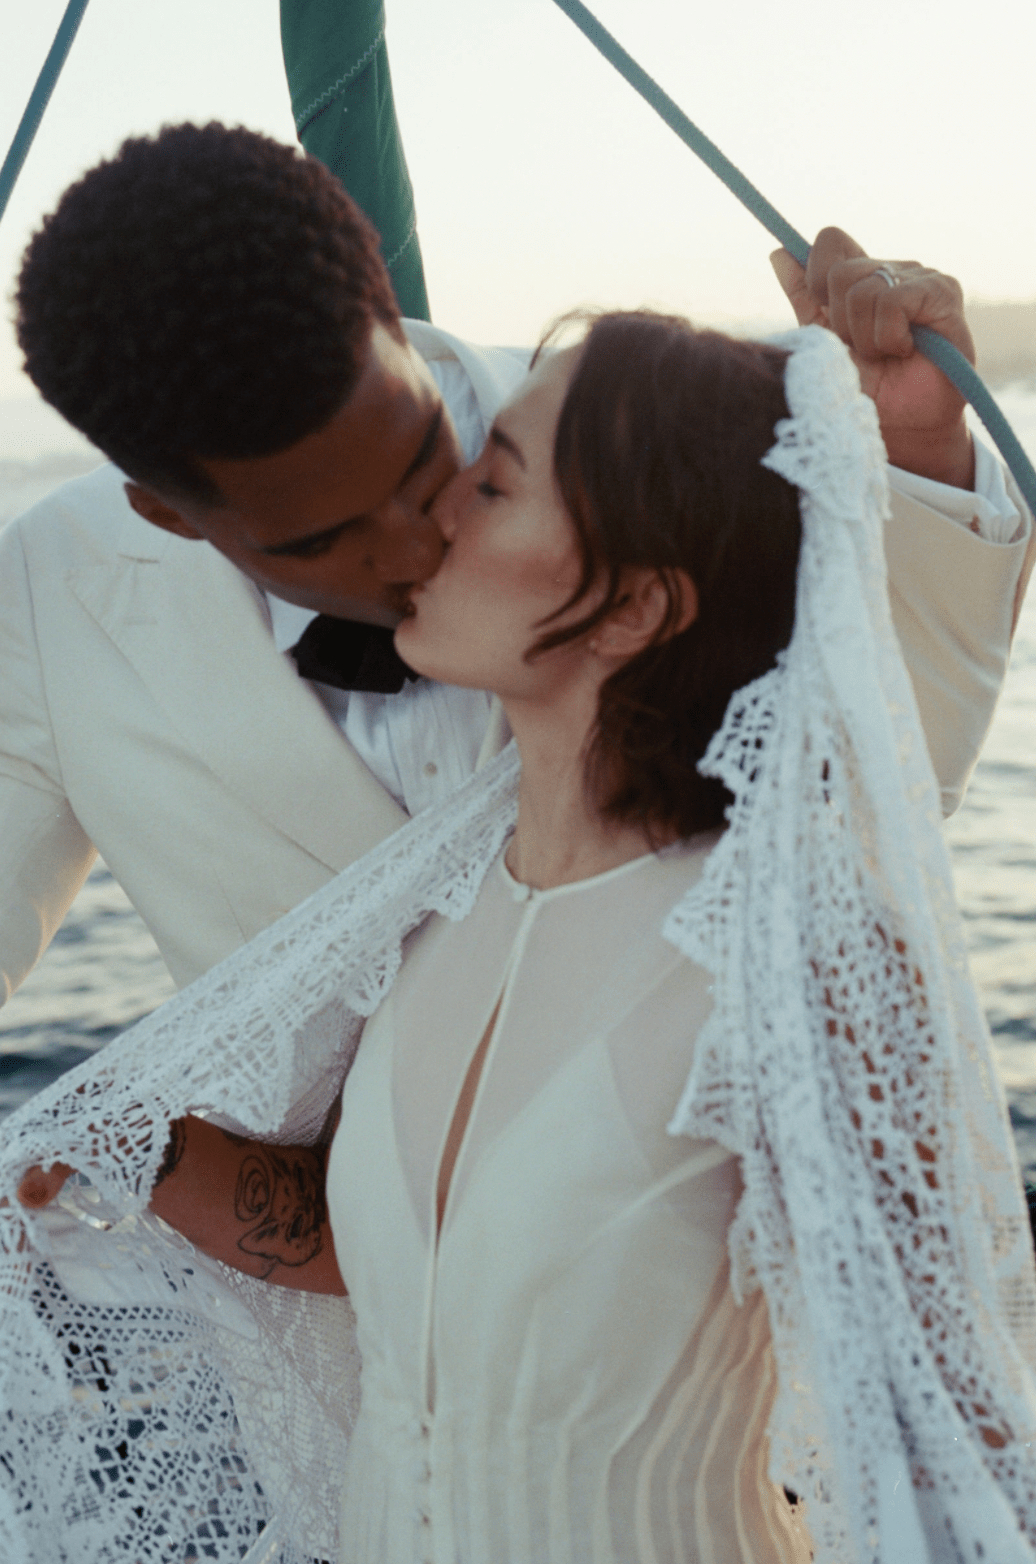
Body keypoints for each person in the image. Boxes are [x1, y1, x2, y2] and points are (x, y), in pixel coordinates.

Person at [9, 313, 1036, 1563]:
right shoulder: (427, 917)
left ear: (634, 605)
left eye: (489, 484)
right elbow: (420, 1264)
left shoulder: (788, 961)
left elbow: (942, 1451)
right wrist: (139, 1146)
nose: (431, 518)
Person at [3, 123, 1034, 1013]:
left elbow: (888, 778)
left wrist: (912, 452)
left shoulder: (622, 446)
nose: (420, 549)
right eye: (321, 542)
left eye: (422, 460)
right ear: (167, 515)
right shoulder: (52, 592)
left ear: (388, 317)